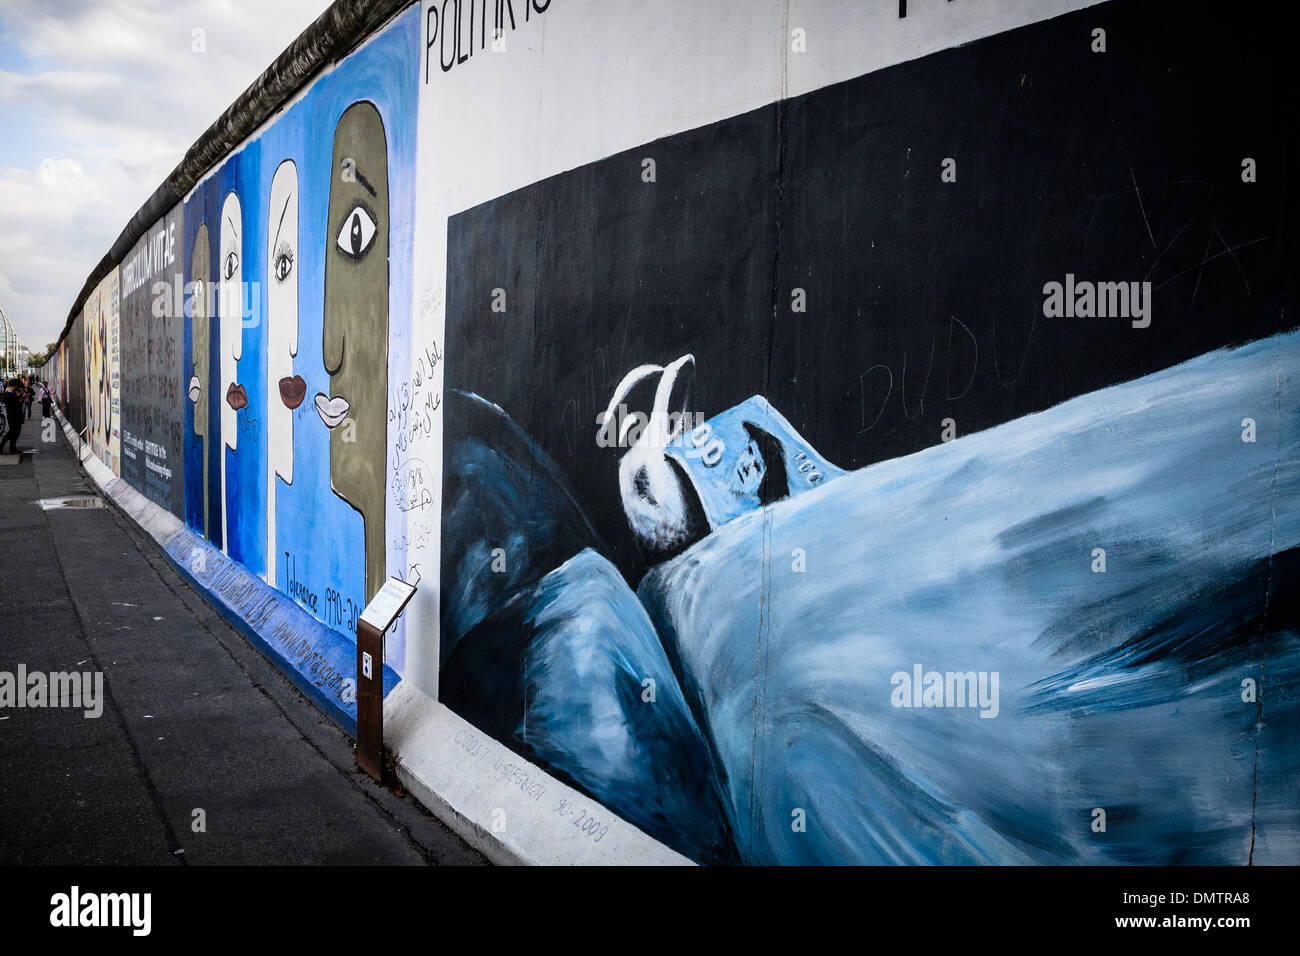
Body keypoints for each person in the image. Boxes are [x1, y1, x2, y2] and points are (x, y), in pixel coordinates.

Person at [1, 380, 23, 454]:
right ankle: (3, 446)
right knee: (13, 432)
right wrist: (21, 398)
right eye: (17, 386)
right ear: (14, 386)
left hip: (13, 416)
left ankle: (12, 448)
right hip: (14, 416)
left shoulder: (8, 394)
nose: (18, 388)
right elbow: (17, 405)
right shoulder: (10, 395)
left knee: (15, 433)